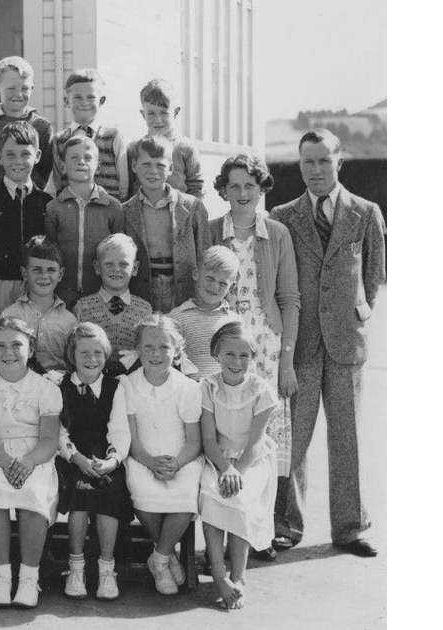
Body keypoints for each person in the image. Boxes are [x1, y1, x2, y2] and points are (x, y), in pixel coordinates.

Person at [268, 129, 385, 558]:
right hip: (299, 344)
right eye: (306, 162)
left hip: (345, 344)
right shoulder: (283, 214)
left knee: (347, 437)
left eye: (323, 161)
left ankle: (351, 528)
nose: (315, 170)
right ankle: (285, 524)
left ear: (340, 162)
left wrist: (355, 314)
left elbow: (373, 276)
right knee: (292, 439)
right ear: (298, 165)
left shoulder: (365, 212)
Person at [209, 154, 301, 561]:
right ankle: (225, 526)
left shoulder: (277, 233)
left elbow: (289, 299)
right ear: (224, 191)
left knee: (263, 441)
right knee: (228, 433)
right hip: (225, 340)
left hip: (265, 344)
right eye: (234, 186)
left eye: (250, 185)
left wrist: (286, 361)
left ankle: (260, 534)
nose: (243, 193)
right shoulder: (213, 230)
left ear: (261, 189)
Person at [0, 317, 62, 609]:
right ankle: (1, 577)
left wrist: (27, 462)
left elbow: (49, 439)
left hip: (35, 455)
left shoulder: (46, 388)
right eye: (0, 346)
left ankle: (28, 578)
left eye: (16, 345)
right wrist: (8, 463)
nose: (8, 353)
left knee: (34, 493)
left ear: (31, 348)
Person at [198, 321, 279, 610]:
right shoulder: (208, 386)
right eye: (229, 355)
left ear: (253, 358)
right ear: (217, 354)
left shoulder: (262, 390)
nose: (236, 362)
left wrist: (237, 472)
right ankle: (219, 575)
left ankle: (239, 576)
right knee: (210, 493)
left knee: (240, 497)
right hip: (218, 458)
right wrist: (224, 468)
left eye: (244, 355)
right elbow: (208, 439)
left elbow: (256, 443)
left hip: (250, 461)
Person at [122, 315, 203, 596]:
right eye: (148, 347)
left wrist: (177, 462)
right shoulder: (127, 385)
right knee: (144, 497)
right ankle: (168, 554)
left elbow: (194, 441)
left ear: (177, 350)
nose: (156, 354)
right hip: (142, 457)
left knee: (184, 499)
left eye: (164, 347)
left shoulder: (189, 388)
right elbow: (131, 438)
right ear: (138, 350)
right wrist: (149, 461)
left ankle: (158, 559)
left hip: (183, 458)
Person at [55, 322, 131, 600]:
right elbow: (58, 432)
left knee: (108, 494)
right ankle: (76, 567)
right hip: (73, 457)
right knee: (80, 494)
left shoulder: (116, 387)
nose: (91, 359)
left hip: (105, 454)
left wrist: (113, 460)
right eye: (84, 353)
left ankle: (106, 569)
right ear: (72, 356)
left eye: (98, 353)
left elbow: (120, 430)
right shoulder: (60, 385)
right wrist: (75, 457)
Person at [0, 121, 52, 322]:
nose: (18, 161)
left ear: (38, 156)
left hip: (35, 285)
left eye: (25, 154)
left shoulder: (47, 203)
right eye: (10, 154)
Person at [121, 134, 210, 313]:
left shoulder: (192, 207)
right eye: (146, 164)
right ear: (134, 166)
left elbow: (204, 255)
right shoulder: (124, 211)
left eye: (160, 165)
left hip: (182, 288)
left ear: (170, 168)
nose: (153, 171)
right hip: (142, 289)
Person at [43, 136, 126, 307]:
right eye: (74, 157)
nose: (81, 162)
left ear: (98, 167)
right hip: (63, 292)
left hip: (101, 294)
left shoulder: (113, 207)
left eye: (88, 157)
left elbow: (120, 253)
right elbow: (50, 253)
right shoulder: (54, 208)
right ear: (63, 166)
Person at [0, 56, 53, 192]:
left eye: (24, 88)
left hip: (27, 198)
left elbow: (45, 168)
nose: (18, 94)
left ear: (32, 89)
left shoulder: (41, 126)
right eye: (11, 88)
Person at [72, 234, 154, 377]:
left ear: (135, 268)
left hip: (133, 383)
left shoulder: (145, 310)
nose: (116, 269)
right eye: (109, 264)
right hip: (94, 381)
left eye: (124, 264)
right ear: (97, 267)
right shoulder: (82, 308)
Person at [47, 69, 128, 202]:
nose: (84, 102)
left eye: (91, 97)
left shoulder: (113, 136)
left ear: (101, 101)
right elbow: (57, 182)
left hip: (106, 212)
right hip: (71, 212)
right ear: (67, 101)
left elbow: (123, 183)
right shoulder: (59, 140)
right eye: (78, 97)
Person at [0, 236, 78, 373]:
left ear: (60, 274)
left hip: (58, 389)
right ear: (25, 273)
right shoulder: (10, 315)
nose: (44, 276)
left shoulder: (70, 320)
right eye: (37, 270)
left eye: (51, 270)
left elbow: (74, 366)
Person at [169, 246, 241, 380]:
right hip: (189, 393)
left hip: (223, 393)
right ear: (196, 273)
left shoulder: (234, 323)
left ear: (231, 286)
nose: (214, 287)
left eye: (223, 283)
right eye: (210, 278)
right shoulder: (177, 317)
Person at [124, 79, 203, 198]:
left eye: (164, 113)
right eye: (151, 113)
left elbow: (197, 188)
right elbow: (129, 188)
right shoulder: (133, 149)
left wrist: (195, 215)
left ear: (175, 112)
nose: (158, 119)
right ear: (143, 114)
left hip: (178, 214)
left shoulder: (186, 148)